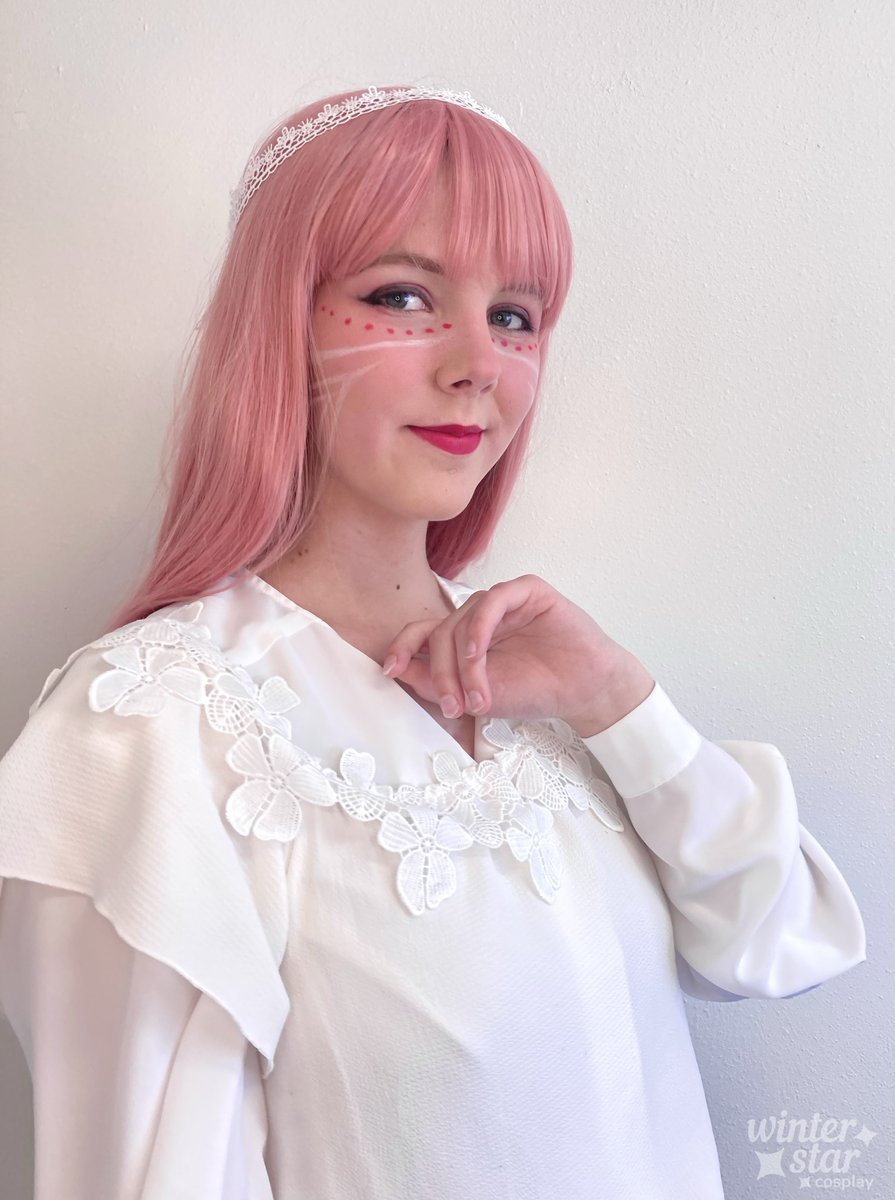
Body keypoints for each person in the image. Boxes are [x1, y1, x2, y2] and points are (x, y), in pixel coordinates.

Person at [0, 84, 866, 1200]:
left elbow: (776, 943)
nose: (479, 364)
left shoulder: (553, 692)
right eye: (402, 296)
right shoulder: (151, 728)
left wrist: (620, 703)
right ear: (281, 324)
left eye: (515, 316)